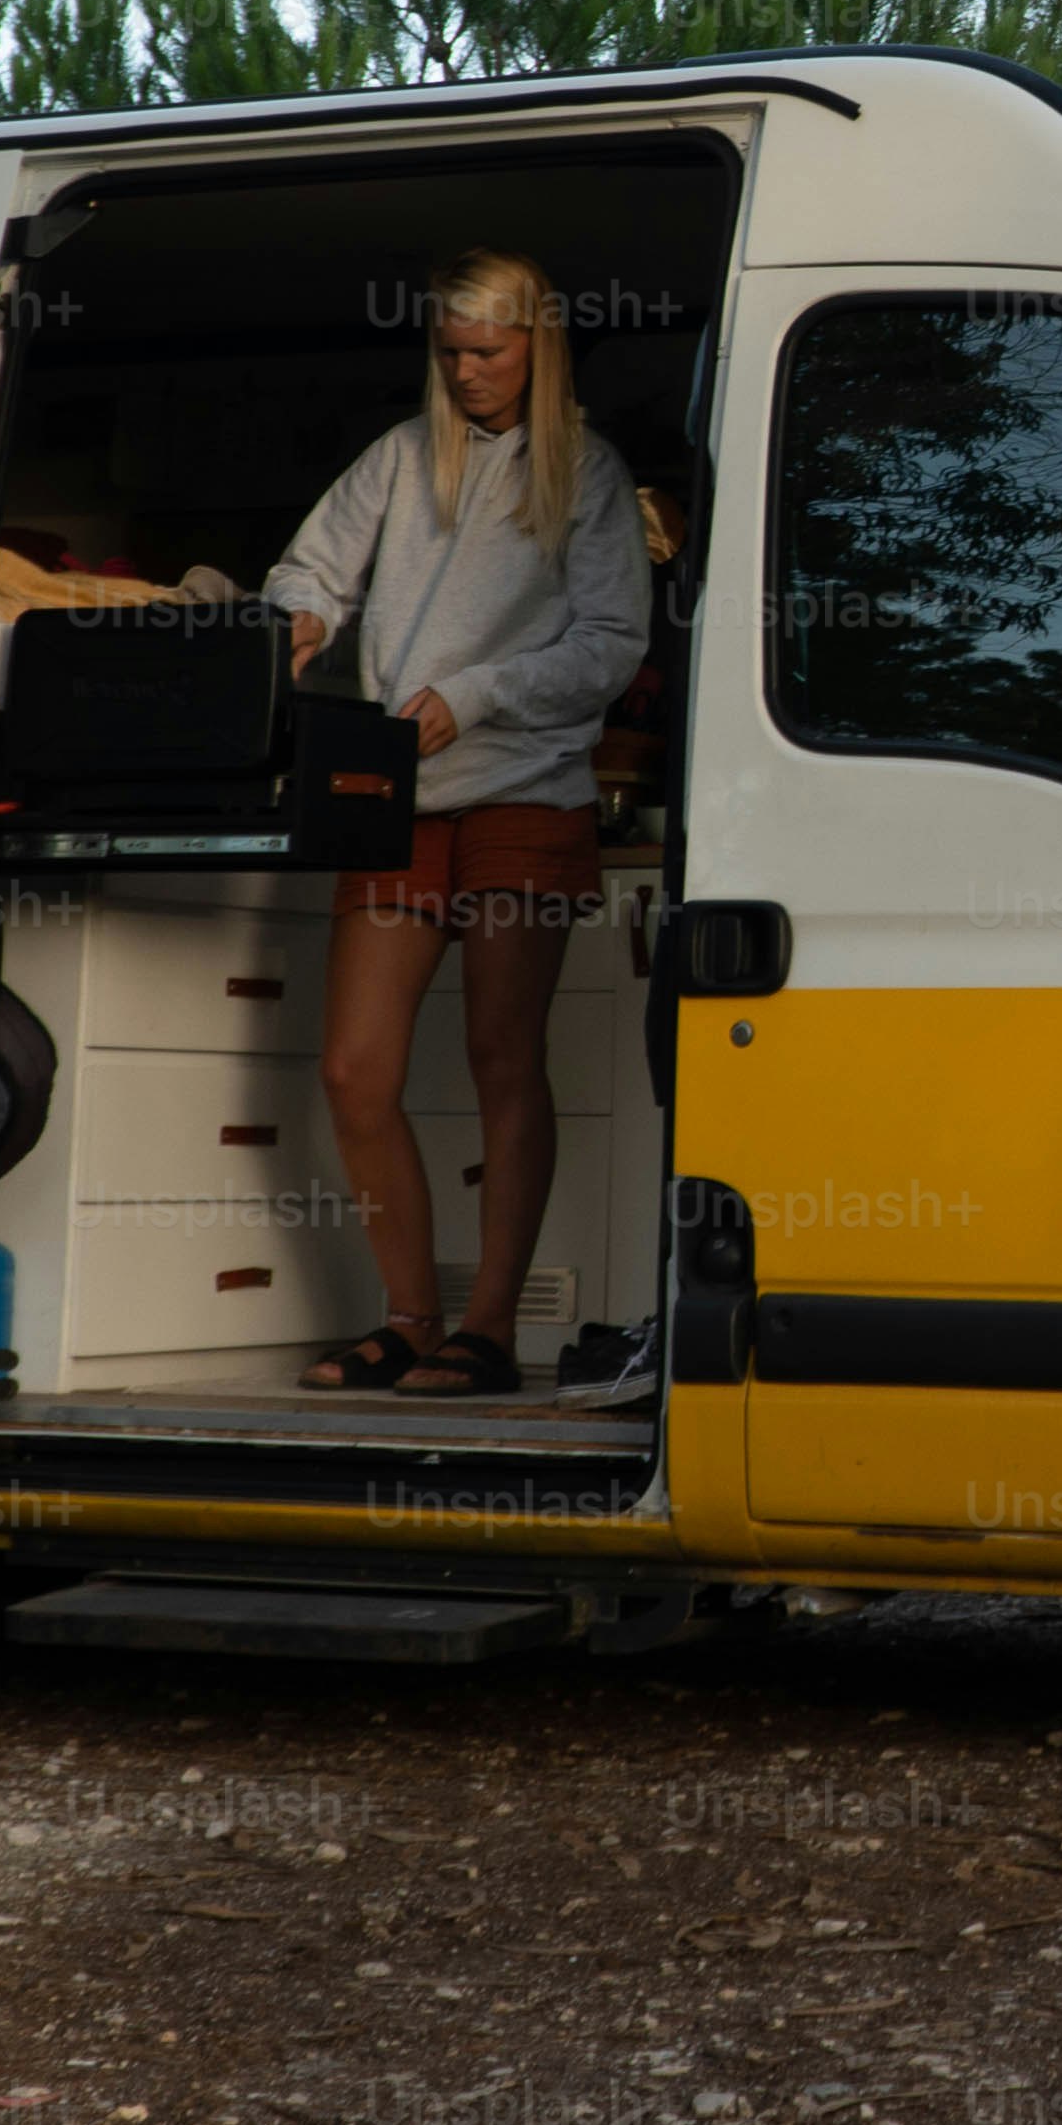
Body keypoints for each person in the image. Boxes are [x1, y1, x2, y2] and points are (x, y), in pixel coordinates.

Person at [259, 250, 653, 1398]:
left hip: (526, 790)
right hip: (400, 791)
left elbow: (611, 646)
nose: (469, 372)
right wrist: (300, 620)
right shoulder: (399, 456)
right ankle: (410, 1316)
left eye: (488, 351)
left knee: (500, 1059)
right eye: (451, 354)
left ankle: (489, 1329)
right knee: (353, 1068)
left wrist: (473, 694)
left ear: (539, 345)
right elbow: (308, 568)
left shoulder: (586, 471)